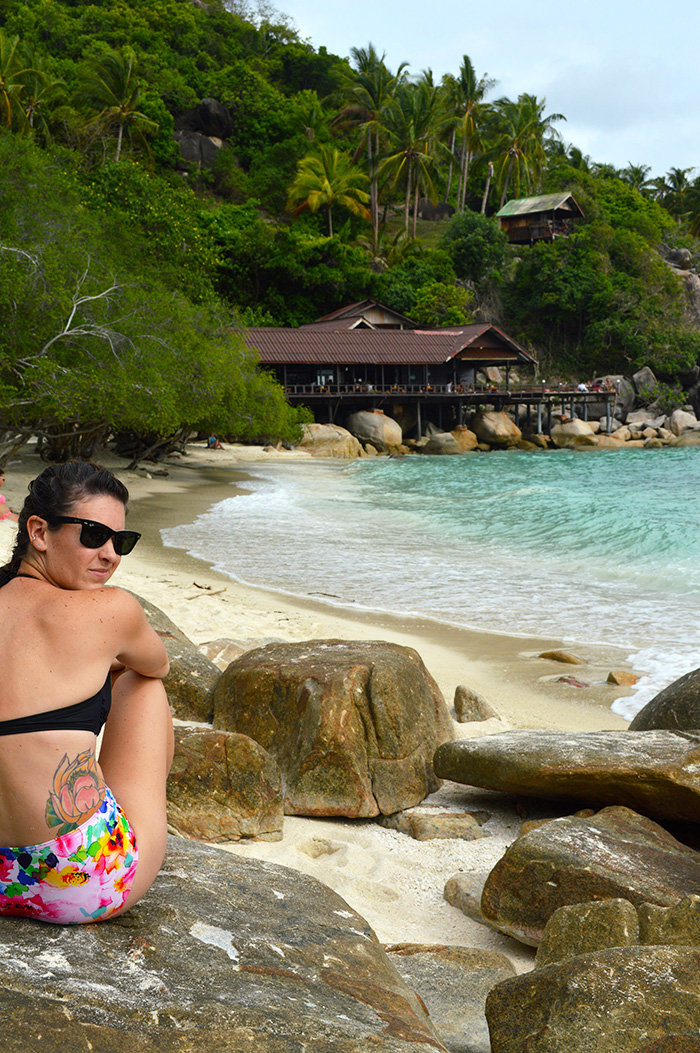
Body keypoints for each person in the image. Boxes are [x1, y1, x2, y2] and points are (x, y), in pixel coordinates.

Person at [0, 460, 173, 924]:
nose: (111, 555)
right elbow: (158, 663)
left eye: (123, 541)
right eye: (94, 535)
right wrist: (107, 661)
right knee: (141, 684)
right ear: (38, 532)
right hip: (81, 880)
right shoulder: (110, 610)